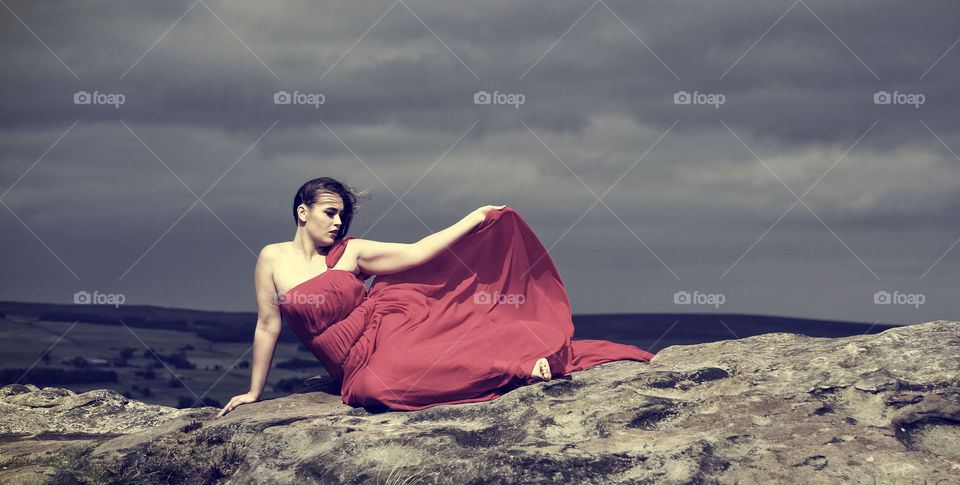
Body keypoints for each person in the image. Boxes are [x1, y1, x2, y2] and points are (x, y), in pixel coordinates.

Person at [217, 177, 654, 416]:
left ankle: (522, 366)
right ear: (302, 212)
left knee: (412, 367)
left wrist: (474, 218)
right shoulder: (271, 259)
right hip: (349, 364)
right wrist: (254, 392)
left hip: (385, 329)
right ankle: (514, 364)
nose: (337, 222)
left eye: (342, 215)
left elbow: (417, 252)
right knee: (371, 387)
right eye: (330, 213)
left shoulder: (351, 251)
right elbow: (268, 324)